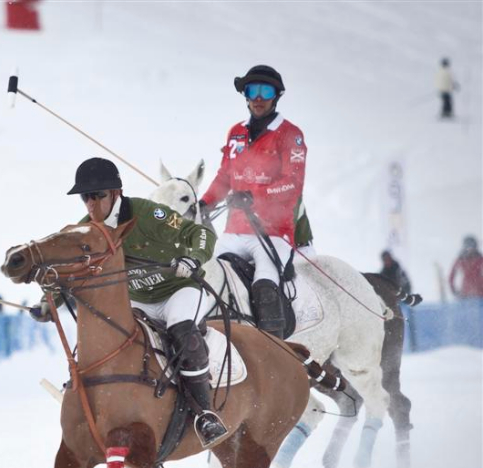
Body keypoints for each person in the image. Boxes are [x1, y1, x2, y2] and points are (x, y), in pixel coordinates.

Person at [37, 157, 227, 447]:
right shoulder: (85, 230)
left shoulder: (148, 214)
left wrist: (193, 258)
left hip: (177, 291)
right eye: (86, 197)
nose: (91, 204)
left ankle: (205, 413)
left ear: (116, 193)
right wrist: (49, 301)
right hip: (138, 300)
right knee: (104, 338)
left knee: (182, 331)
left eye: (98, 195)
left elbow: (198, 233)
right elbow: (68, 271)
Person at [199, 65, 309, 336]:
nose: (258, 98)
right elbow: (225, 175)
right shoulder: (236, 132)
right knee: (203, 277)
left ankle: (275, 352)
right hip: (234, 233)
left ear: (276, 96)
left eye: (265, 91)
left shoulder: (290, 135)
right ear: (245, 95)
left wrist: (255, 196)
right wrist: (205, 203)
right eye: (252, 91)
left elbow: (292, 183)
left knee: (265, 286)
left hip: (273, 234)